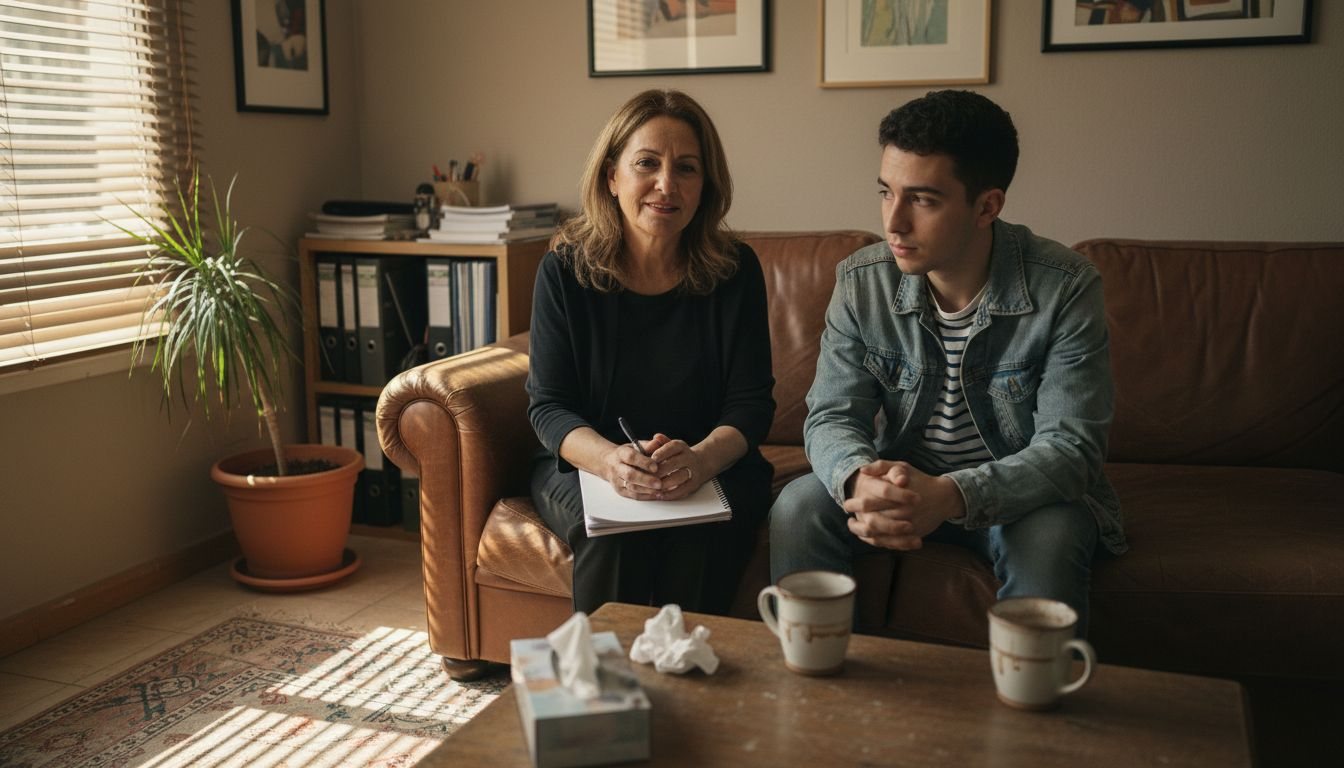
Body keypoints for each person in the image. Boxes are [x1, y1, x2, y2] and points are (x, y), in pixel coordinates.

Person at [768, 90, 1125, 635]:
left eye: (924, 200)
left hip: (1018, 497)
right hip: (900, 482)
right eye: (886, 192)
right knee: (798, 505)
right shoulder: (862, 283)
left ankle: (1035, 710)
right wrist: (859, 479)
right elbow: (831, 416)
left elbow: (1071, 449)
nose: (895, 222)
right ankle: (811, 691)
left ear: (987, 206)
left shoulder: (1065, 288)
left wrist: (954, 496)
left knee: (1054, 534)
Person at [526, 89, 775, 616]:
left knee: (700, 538)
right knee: (615, 536)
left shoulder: (735, 271)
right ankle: (603, 686)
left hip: (714, 467)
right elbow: (548, 405)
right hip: (589, 470)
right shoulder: (565, 272)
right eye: (647, 164)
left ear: (705, 187)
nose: (667, 185)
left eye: (686, 168)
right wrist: (609, 461)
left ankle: (690, 689)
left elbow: (752, 404)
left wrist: (702, 460)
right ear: (612, 177)